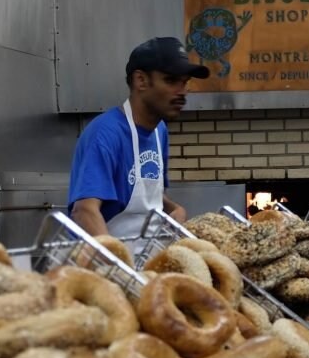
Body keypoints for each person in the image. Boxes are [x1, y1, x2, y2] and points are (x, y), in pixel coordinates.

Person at [68, 37, 209, 248]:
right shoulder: (106, 133)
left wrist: (173, 209)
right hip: (102, 269)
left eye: (185, 82)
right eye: (171, 81)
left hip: (144, 264)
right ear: (141, 80)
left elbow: (149, 194)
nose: (182, 91)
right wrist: (119, 267)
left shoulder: (158, 131)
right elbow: (84, 210)